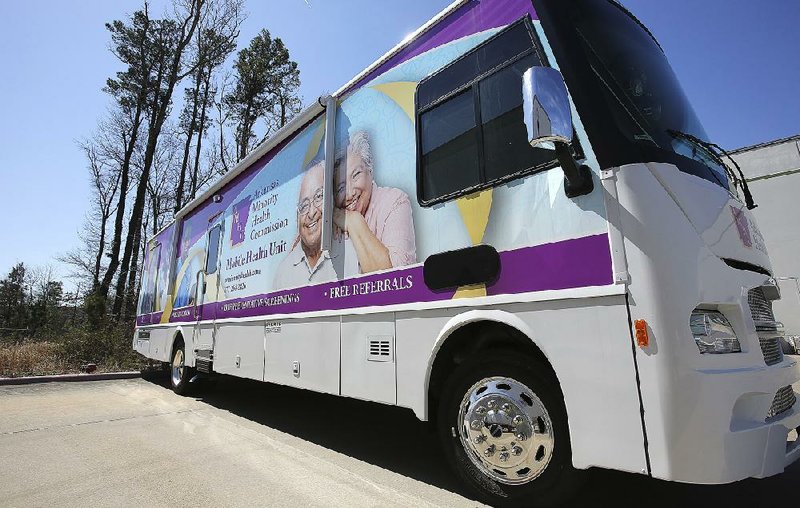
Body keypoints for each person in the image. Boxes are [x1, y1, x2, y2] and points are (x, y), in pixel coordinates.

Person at [333, 131, 416, 273]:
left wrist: (355, 223)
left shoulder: (395, 201)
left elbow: (395, 280)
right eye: (341, 187)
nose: (350, 193)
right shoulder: (332, 217)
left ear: (370, 169)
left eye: (356, 175)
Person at [274, 161, 356, 289]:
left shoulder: (351, 252)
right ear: (297, 216)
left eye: (319, 197)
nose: (311, 213)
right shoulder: (284, 271)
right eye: (304, 205)